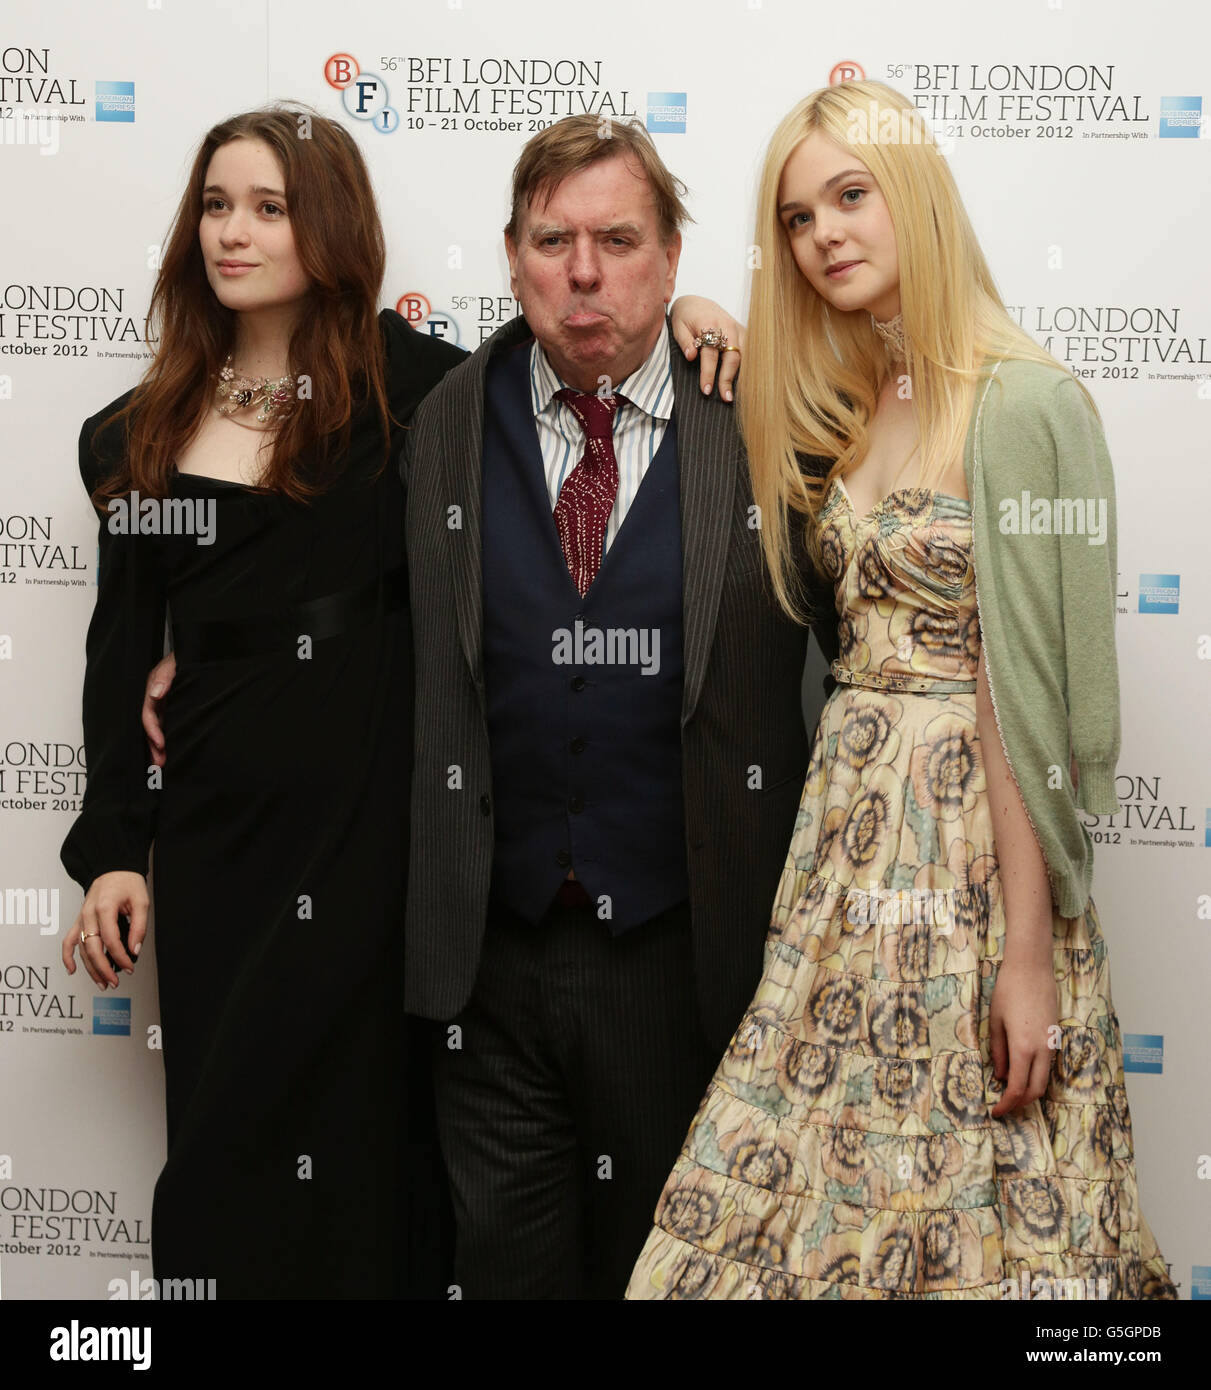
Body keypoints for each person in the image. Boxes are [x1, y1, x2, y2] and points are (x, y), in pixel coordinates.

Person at [626, 80, 1178, 1301]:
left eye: (851, 194)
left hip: (977, 869)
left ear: (914, 197)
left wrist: (1024, 956)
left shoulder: (1026, 404)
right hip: (839, 853)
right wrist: (712, 306)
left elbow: (1025, 693)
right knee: (797, 1187)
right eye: (794, 217)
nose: (821, 232)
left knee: (986, 1199)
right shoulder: (844, 403)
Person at [401, 114, 840, 1299]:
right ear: (508, 254)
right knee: (504, 1271)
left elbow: (874, 669)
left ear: (672, 253)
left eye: (616, 239)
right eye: (551, 240)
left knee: (677, 1276)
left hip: (688, 962)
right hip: (488, 974)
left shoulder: (766, 421)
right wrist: (178, 647)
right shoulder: (440, 420)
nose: (582, 271)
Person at [59, 104, 467, 1299]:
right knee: (224, 1136)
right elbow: (116, 655)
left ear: (326, 225)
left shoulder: (406, 395)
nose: (231, 232)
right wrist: (116, 852)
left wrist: (705, 317)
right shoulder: (141, 435)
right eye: (217, 204)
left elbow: (566, 352)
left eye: (269, 207)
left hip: (364, 835)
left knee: (361, 1146)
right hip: (217, 832)